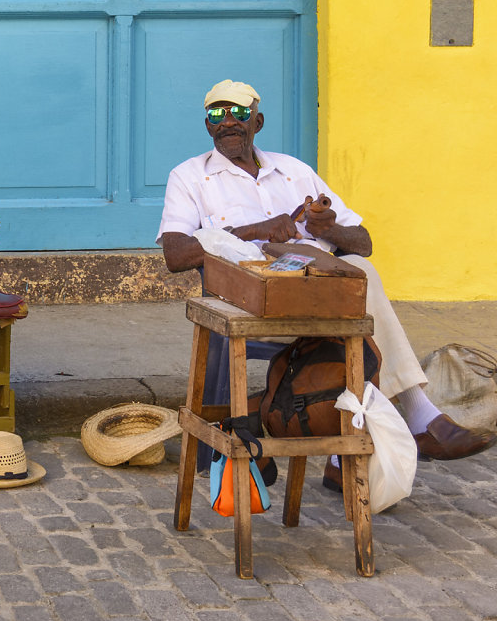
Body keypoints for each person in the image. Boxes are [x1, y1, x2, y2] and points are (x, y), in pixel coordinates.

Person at [157, 79, 496, 489]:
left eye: (239, 114)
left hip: (321, 288)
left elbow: (364, 242)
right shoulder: (190, 177)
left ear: (257, 122)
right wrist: (255, 231)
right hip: (248, 296)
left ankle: (353, 445)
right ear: (208, 126)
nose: (228, 122)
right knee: (357, 292)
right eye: (217, 115)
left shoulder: (295, 171)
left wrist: (329, 228)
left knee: (356, 270)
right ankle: (413, 418)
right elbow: (176, 255)